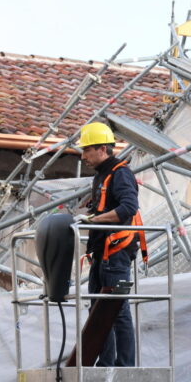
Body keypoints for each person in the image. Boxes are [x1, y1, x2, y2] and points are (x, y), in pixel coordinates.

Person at [78, 121, 146, 367]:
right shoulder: (101, 177)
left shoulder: (120, 173)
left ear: (103, 149)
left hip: (116, 252)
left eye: (87, 150)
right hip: (101, 253)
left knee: (117, 309)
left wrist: (95, 219)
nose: (83, 156)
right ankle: (105, 363)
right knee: (98, 311)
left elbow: (129, 208)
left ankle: (125, 365)